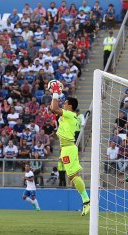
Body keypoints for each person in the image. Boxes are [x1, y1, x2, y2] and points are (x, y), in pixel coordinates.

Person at [49, 80, 90, 216]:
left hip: (68, 148)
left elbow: (54, 108)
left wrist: (55, 93)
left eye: (65, 103)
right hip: (66, 148)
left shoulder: (70, 114)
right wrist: (55, 95)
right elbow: (53, 108)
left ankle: (86, 201)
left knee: (73, 176)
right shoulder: (68, 115)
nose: (63, 104)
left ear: (70, 106)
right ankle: (85, 200)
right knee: (73, 176)